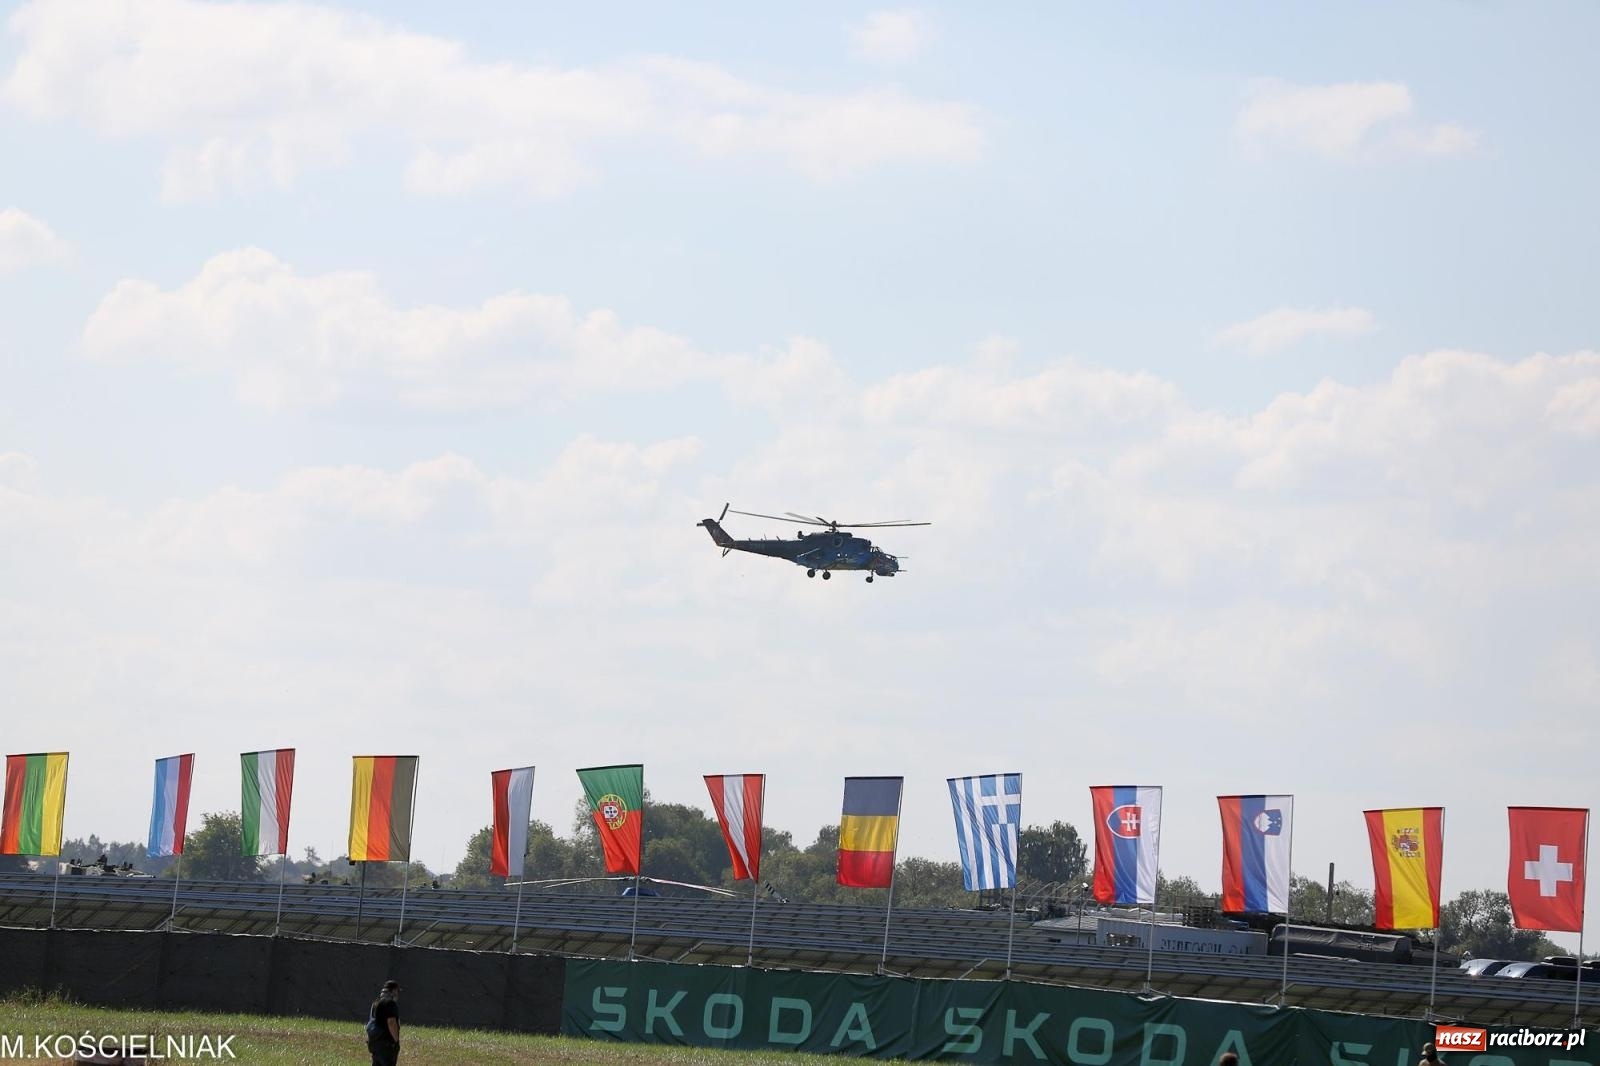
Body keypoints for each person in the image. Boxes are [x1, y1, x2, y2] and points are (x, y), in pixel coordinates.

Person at [366, 980, 402, 1065]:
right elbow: (391, 1022)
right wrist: (396, 1041)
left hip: (374, 1043)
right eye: (397, 991)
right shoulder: (390, 1003)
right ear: (393, 991)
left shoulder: (376, 1003)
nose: (398, 994)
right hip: (386, 1045)